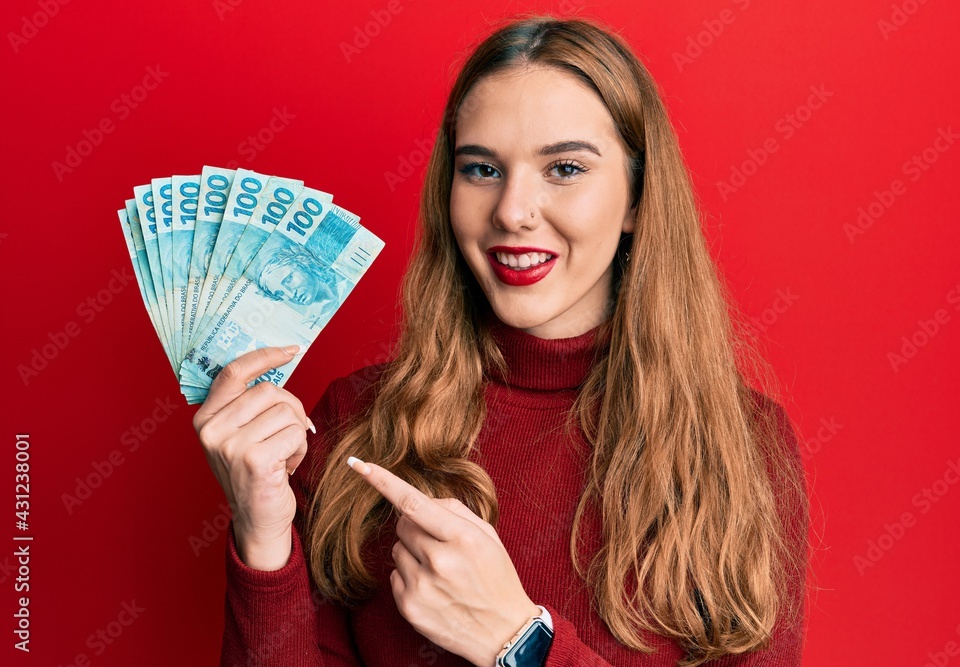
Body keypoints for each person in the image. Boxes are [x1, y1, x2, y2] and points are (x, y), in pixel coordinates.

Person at [193, 13, 812, 667]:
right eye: (482, 169)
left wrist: (517, 641)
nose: (513, 210)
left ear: (636, 199)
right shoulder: (353, 422)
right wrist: (263, 537)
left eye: (565, 168)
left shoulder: (741, 444)